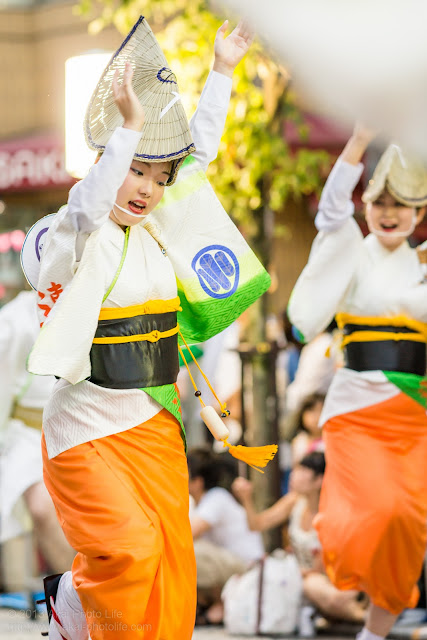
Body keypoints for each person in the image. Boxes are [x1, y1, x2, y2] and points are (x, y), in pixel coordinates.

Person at [26, 18, 261, 640]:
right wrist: (131, 132)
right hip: (85, 426)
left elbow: (196, 160)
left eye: (161, 178)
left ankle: (89, 619)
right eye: (138, 171)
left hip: (152, 423)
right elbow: (87, 206)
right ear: (107, 160)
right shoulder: (66, 234)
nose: (151, 190)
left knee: (168, 570)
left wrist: (223, 71)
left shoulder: (155, 230)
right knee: (128, 548)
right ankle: (73, 603)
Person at [288, 122, 427, 640]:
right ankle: (348, 583)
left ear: (419, 213)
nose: (389, 213)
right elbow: (331, 210)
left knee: (406, 522)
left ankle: (374, 631)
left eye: (402, 205)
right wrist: (360, 139)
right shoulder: (349, 249)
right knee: (356, 522)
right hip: (355, 410)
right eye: (380, 202)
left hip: (415, 413)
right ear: (367, 206)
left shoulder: (424, 266)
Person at [233, 452, 367, 624]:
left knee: (317, 588)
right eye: (296, 469)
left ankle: (361, 618)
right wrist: (246, 499)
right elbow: (257, 525)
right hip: (304, 578)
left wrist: (295, 572)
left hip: (333, 579)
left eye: (304, 470)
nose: (295, 475)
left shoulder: (333, 509)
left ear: (319, 480)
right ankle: (359, 618)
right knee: (308, 586)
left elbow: (328, 562)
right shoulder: (294, 501)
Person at [0, 290, 74, 575]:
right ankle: (78, 598)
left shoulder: (98, 298)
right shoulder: (16, 318)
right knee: (42, 508)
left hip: (87, 428)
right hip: (28, 436)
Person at [188, 447, 264, 625]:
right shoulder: (196, 502)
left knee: (190, 550)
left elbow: (186, 535)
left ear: (197, 481)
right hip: (231, 566)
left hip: (248, 569)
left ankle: (220, 604)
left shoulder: (217, 498)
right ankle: (211, 604)